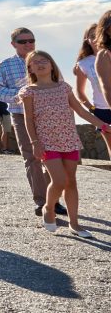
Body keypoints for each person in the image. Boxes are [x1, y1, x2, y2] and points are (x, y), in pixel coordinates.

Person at [19, 50, 110, 238]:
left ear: (52, 65)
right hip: (46, 142)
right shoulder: (28, 92)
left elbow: (80, 111)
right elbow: (28, 120)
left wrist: (102, 125)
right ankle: (48, 208)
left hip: (69, 139)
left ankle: (74, 224)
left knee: (71, 182)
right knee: (59, 180)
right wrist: (35, 143)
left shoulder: (64, 88)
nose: (41, 64)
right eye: (36, 62)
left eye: (45, 60)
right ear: (30, 68)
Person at [0, 27, 64, 216]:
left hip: (48, 115)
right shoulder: (5, 65)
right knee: (32, 157)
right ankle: (41, 202)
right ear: (13, 44)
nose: (28, 44)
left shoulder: (45, 60)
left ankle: (53, 200)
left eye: (31, 40)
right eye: (23, 41)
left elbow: (59, 83)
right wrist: (20, 96)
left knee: (53, 156)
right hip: (21, 114)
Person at [74, 23, 111, 159]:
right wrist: (92, 108)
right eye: (92, 36)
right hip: (102, 110)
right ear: (87, 40)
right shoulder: (83, 64)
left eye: (98, 34)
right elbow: (79, 91)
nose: (95, 39)